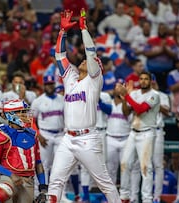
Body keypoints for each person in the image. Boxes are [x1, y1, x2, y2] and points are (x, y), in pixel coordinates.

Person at [47, 9, 120, 203]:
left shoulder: (94, 80)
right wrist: (62, 32)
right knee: (55, 181)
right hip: (67, 138)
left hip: (87, 138)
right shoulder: (70, 77)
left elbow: (91, 53)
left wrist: (84, 30)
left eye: (92, 62)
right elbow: (59, 55)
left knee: (104, 182)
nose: (86, 62)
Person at [0, 99, 47, 203]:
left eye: (25, 111)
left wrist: (43, 189)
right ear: (11, 115)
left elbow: (38, 163)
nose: (26, 115)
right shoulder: (2, 135)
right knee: (0, 194)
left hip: (28, 180)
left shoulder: (33, 135)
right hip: (7, 177)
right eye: (22, 112)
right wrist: (11, 175)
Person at [119, 71, 161, 203]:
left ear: (150, 81)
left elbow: (140, 109)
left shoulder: (155, 95)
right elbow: (126, 112)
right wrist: (125, 100)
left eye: (146, 79)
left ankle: (147, 199)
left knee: (146, 167)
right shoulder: (135, 94)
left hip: (147, 133)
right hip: (133, 132)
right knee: (125, 163)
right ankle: (124, 197)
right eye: (141, 79)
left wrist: (127, 96)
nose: (143, 81)